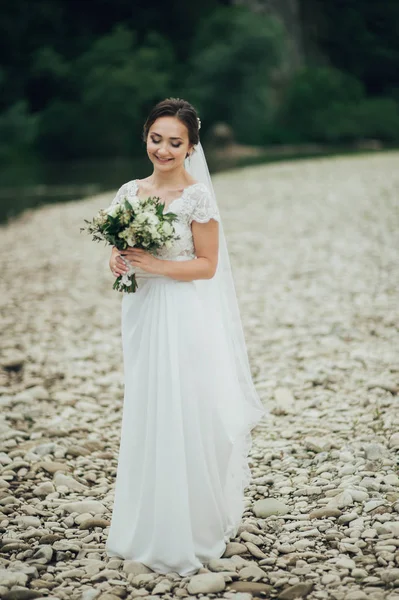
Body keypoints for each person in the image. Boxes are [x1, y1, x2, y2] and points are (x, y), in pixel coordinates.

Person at [105, 98, 267, 576]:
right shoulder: (129, 192)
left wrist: (157, 265)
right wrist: (116, 261)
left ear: (192, 146)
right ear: (146, 137)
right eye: (157, 139)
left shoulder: (198, 197)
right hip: (141, 311)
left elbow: (207, 265)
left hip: (184, 313)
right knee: (149, 406)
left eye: (175, 142)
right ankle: (144, 524)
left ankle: (191, 526)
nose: (164, 149)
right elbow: (120, 249)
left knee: (184, 407)